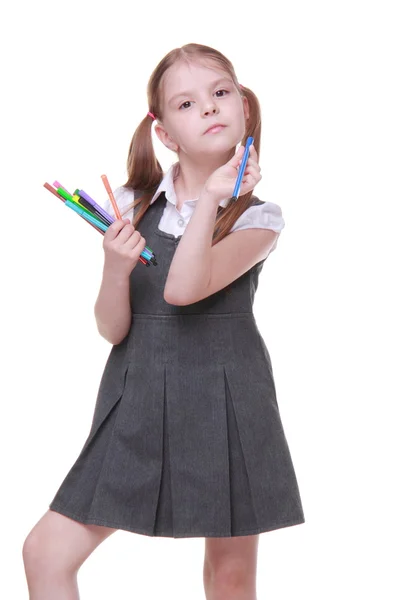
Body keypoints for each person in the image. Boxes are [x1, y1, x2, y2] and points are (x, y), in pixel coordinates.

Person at [23, 42, 305, 600]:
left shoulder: (260, 218)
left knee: (228, 577)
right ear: (165, 134)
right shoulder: (132, 203)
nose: (208, 108)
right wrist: (113, 264)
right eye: (186, 103)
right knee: (45, 552)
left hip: (227, 394)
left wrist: (212, 199)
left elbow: (182, 289)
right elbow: (112, 329)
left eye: (221, 93)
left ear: (244, 109)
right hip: (137, 394)